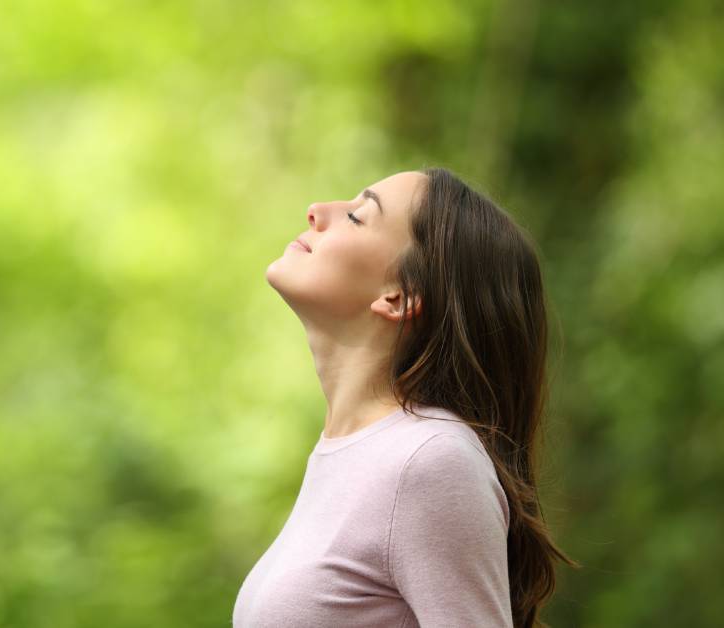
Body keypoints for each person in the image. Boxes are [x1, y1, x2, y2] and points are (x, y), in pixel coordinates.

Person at [233, 168, 578, 628]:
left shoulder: (429, 460)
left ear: (400, 296)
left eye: (358, 217)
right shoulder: (355, 455)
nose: (317, 212)